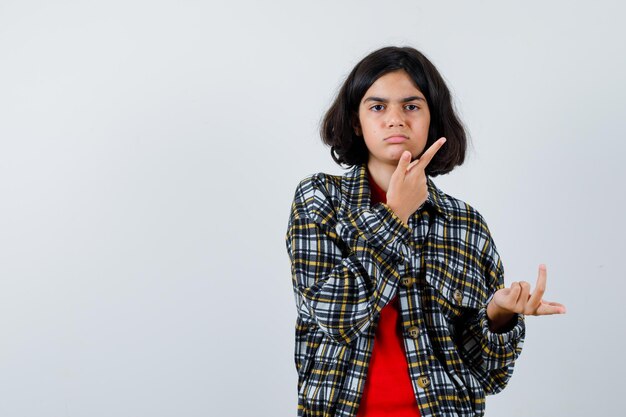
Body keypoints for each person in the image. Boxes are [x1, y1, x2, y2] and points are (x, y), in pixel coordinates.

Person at [284, 46, 566, 417]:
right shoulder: (319, 198)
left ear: (432, 120)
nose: (396, 119)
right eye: (378, 107)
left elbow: (491, 376)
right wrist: (396, 213)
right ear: (356, 121)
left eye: (412, 106)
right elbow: (332, 315)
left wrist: (498, 317)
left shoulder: (465, 223)